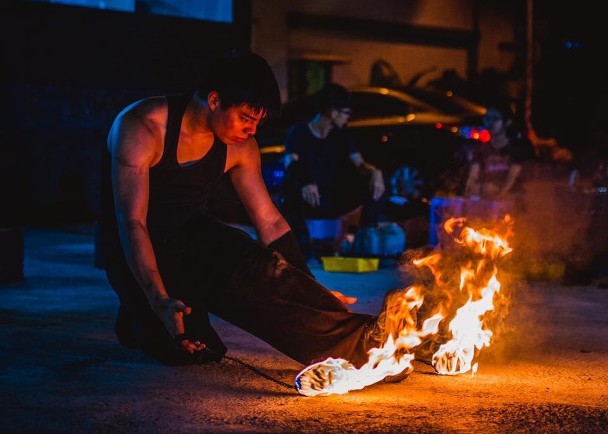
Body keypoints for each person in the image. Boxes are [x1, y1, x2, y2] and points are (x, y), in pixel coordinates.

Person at [97, 50, 404, 383]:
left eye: (258, 121)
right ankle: (138, 310)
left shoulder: (241, 145)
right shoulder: (142, 127)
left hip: (193, 236)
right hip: (134, 244)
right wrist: (157, 299)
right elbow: (133, 223)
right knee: (191, 349)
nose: (251, 129)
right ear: (214, 100)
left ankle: (363, 348)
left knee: (260, 268)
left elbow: (269, 221)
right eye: (246, 117)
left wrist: (310, 288)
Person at [279, 83, 385, 255]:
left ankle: (366, 236)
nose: (347, 118)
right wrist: (306, 181)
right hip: (307, 196)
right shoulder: (299, 132)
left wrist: (375, 172)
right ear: (332, 111)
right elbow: (290, 163)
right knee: (289, 186)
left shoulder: (341, 134)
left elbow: (360, 164)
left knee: (374, 181)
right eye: (346, 113)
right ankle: (301, 243)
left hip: (331, 196)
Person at [464, 100, 533, 200]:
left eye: (495, 119)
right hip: (490, 203)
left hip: (512, 203)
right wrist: (472, 188)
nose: (490, 123)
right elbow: (474, 174)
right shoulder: (481, 148)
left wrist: (498, 195)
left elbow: (511, 180)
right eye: (488, 118)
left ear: (508, 122)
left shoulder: (518, 148)